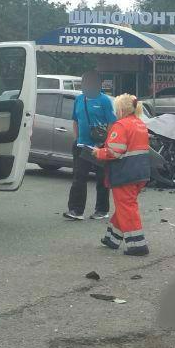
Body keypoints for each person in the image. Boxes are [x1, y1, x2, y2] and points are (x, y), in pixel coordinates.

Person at [87, 94, 151, 256]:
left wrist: (98, 152)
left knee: (127, 207)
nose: (115, 112)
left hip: (125, 173)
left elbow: (114, 152)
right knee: (125, 205)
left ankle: (137, 245)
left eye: (116, 109)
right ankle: (112, 239)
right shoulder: (140, 124)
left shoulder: (121, 125)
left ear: (121, 109)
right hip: (140, 172)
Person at [64, 72, 116, 221]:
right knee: (78, 178)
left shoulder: (104, 100)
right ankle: (76, 210)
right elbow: (75, 120)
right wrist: (77, 138)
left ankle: (102, 210)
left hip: (99, 147)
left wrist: (106, 142)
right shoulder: (79, 99)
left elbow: (111, 122)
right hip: (82, 146)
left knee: (101, 179)